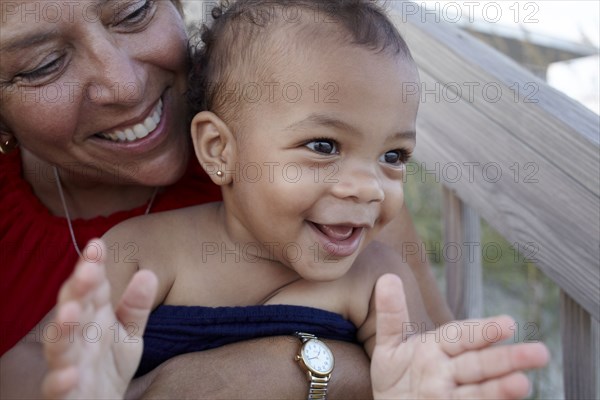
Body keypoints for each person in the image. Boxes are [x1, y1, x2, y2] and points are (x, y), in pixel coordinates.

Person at [42, 1, 549, 398]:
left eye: (393, 155)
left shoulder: (379, 280)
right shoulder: (143, 251)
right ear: (220, 149)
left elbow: (420, 373)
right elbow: (46, 360)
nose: (369, 186)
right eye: (324, 146)